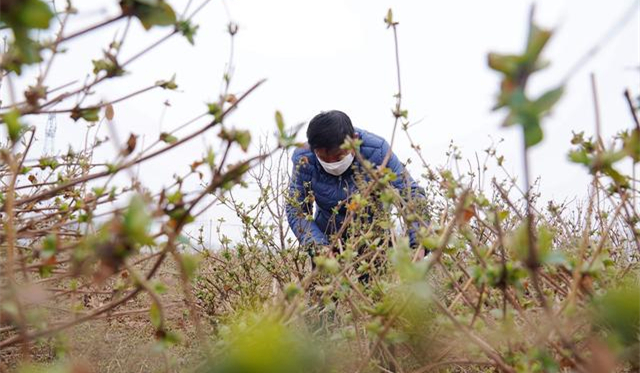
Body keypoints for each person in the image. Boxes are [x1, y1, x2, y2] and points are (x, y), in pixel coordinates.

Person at [285, 110, 427, 263]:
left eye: (338, 156)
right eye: (324, 158)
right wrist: (317, 245)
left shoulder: (377, 151)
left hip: (372, 232)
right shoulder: (304, 159)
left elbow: (409, 193)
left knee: (374, 283)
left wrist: (417, 241)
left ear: (354, 141)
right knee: (324, 281)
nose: (332, 163)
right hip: (327, 232)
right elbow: (296, 209)